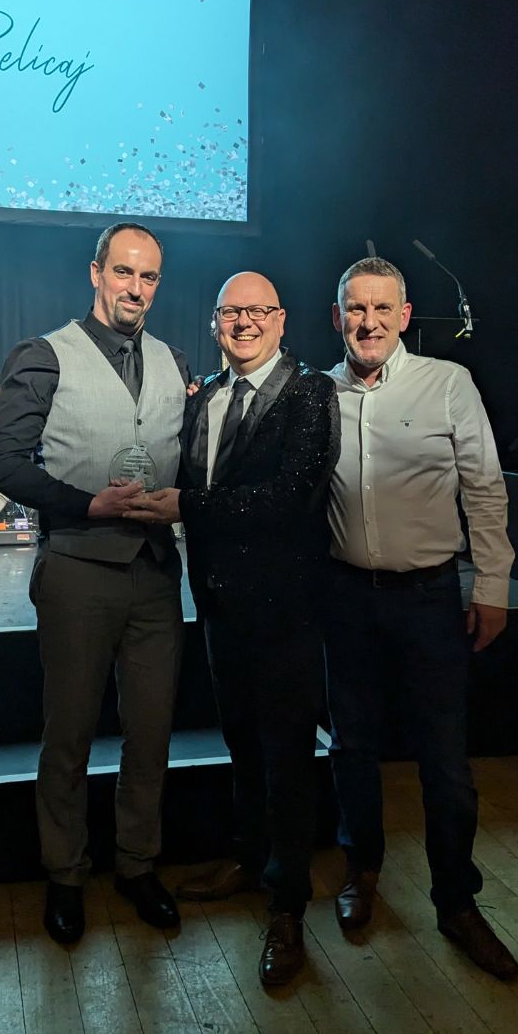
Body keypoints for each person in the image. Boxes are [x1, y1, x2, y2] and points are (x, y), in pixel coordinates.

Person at [125, 272, 340, 986]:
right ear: (215, 322)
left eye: (257, 312)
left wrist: (184, 503)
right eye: (230, 312)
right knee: (242, 744)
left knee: (286, 758)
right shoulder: (206, 396)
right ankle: (252, 861)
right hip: (217, 603)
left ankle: (288, 905)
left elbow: (287, 498)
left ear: (282, 321)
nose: (243, 322)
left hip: (285, 611)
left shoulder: (311, 393)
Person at [0, 222, 189, 945]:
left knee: (151, 734)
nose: (137, 288)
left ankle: (137, 864)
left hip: (157, 575)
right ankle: (65, 874)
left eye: (150, 277)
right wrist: (83, 502)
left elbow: (186, 458)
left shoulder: (173, 359)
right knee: (69, 735)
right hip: (77, 569)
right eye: (125, 272)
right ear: (96, 273)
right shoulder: (45, 355)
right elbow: (0, 463)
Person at [325, 256, 518, 979]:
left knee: (446, 763)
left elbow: (486, 489)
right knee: (352, 748)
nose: (367, 322)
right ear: (337, 316)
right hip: (344, 596)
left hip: (429, 599)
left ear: (404, 316)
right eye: (354, 308)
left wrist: (492, 584)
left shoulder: (448, 384)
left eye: (381, 308)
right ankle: (362, 872)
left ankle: (456, 903)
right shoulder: (319, 394)